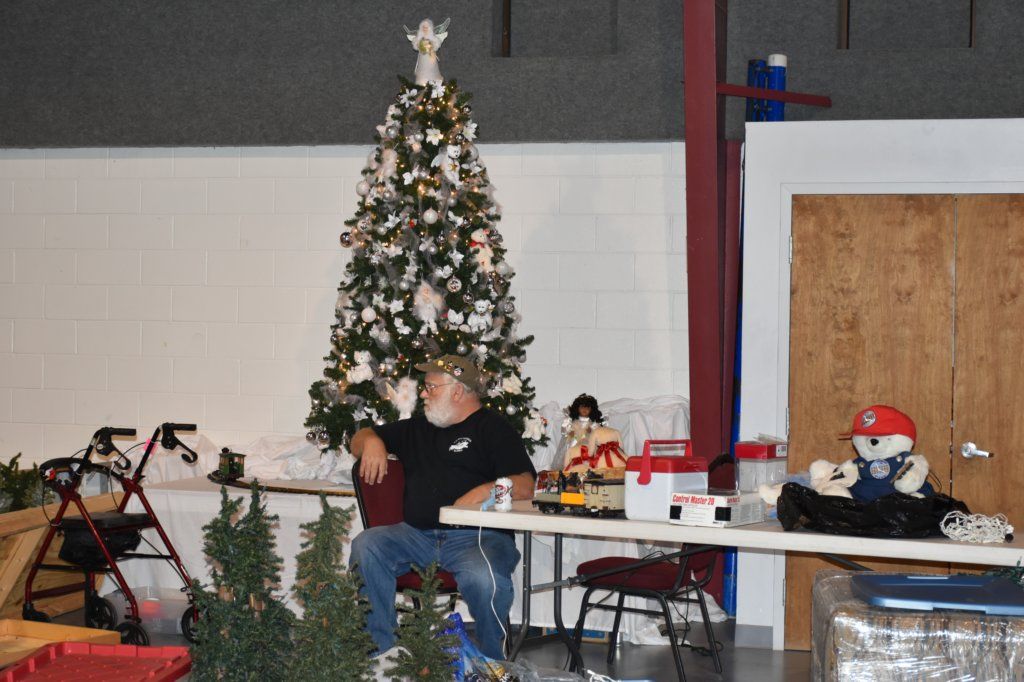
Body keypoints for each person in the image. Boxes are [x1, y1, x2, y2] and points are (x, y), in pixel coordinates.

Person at [349, 354, 536, 660]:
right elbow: (359, 437)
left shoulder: (494, 429)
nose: (423, 393)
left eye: (431, 387)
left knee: (483, 578)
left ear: (458, 391)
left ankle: (492, 665)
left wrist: (485, 491)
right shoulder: (417, 429)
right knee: (367, 544)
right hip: (416, 535)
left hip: (479, 538)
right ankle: (381, 654)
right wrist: (371, 442)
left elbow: (526, 485)